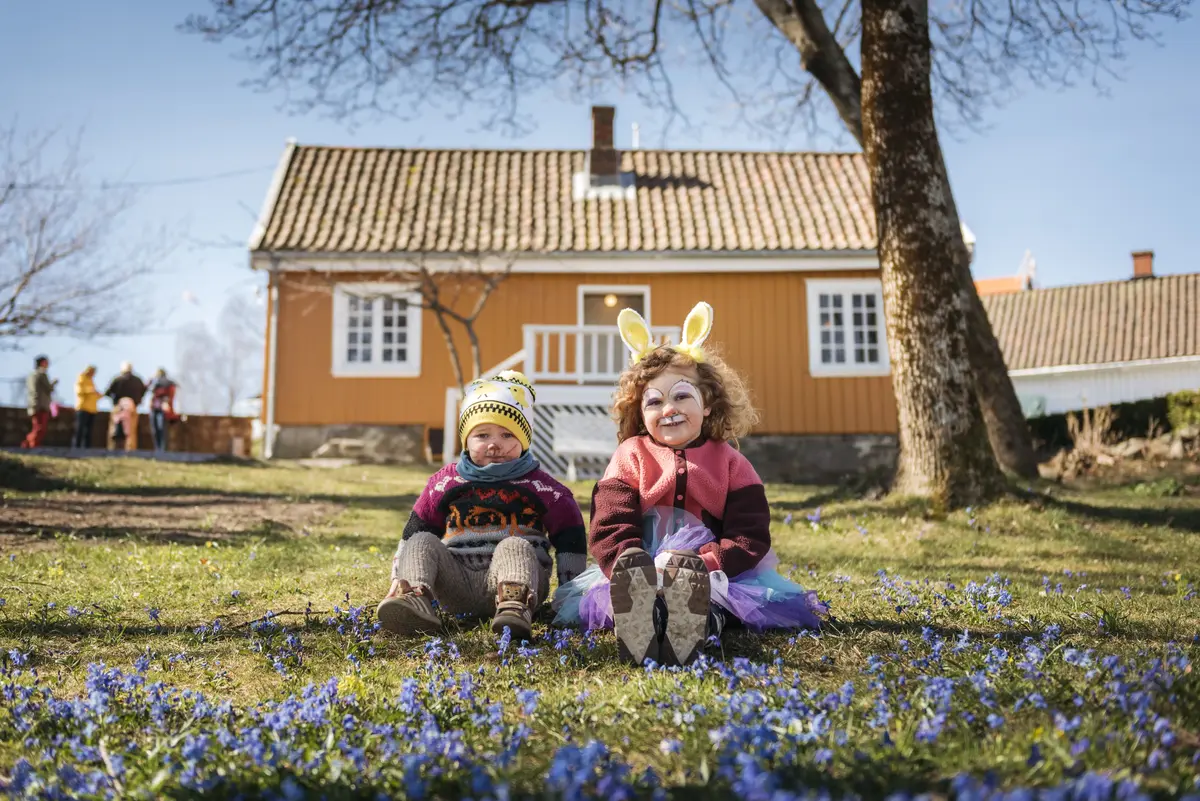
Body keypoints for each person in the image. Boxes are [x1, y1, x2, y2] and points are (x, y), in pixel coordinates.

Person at [552, 302, 828, 667]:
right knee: (634, 593)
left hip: (710, 570)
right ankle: (640, 624)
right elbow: (610, 524)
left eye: (682, 395)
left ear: (709, 404)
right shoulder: (629, 456)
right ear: (640, 411)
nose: (669, 408)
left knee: (714, 599)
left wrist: (709, 562)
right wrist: (630, 564)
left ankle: (695, 625)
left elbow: (750, 534)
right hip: (639, 569)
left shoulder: (730, 462)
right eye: (655, 401)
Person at [376, 371, 587, 642]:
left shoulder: (542, 488)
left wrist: (572, 593)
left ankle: (513, 607)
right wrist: (398, 575)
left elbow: (570, 536)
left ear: (523, 440)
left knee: (515, 545)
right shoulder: (445, 483)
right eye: (482, 435)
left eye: (507, 435)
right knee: (422, 540)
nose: (494, 445)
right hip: (458, 584)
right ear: (466, 440)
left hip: (522, 583)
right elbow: (415, 528)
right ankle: (413, 595)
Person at [104, 362, 146, 451]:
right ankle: (130, 450)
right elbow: (143, 391)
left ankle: (112, 449)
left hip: (118, 407)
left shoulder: (117, 379)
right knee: (131, 431)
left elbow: (107, 393)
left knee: (113, 430)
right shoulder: (138, 380)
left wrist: (114, 400)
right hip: (132, 407)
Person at [21, 355, 57, 449]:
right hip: (41, 405)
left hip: (32, 403)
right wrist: (54, 383)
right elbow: (48, 388)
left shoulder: (31, 375)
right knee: (40, 428)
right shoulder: (42, 374)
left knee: (36, 427)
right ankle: (32, 444)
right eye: (46, 362)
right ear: (42, 363)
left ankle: (27, 443)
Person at [145, 368, 179, 452]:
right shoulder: (158, 382)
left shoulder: (165, 383)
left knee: (160, 429)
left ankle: (161, 450)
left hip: (161, 408)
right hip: (156, 408)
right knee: (158, 429)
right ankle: (159, 449)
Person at [72, 365, 101, 449]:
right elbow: (79, 391)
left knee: (88, 431)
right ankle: (76, 447)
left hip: (92, 409)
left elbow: (94, 395)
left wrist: (98, 394)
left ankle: (87, 448)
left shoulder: (91, 381)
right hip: (83, 408)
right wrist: (90, 390)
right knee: (79, 429)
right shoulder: (81, 378)